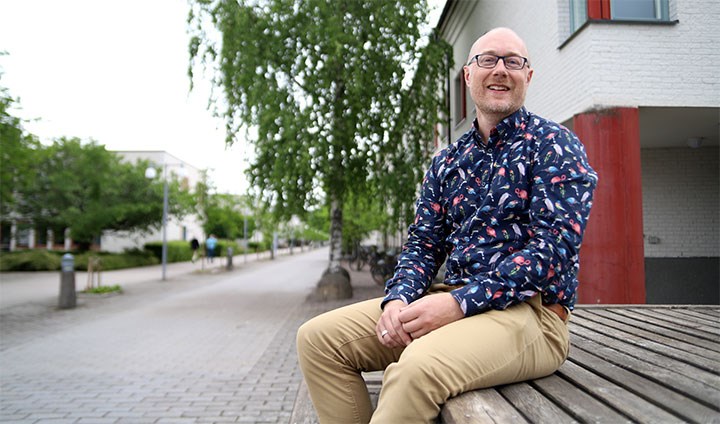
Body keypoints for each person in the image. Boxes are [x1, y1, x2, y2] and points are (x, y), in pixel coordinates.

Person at [296, 27, 598, 423]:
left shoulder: (555, 145)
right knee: (317, 341)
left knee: (413, 370)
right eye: (488, 59)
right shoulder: (447, 161)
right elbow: (422, 245)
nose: (500, 70)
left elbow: (553, 251)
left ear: (529, 75)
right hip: (450, 299)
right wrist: (399, 299)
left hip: (531, 316)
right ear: (468, 76)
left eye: (513, 61)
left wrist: (459, 303)